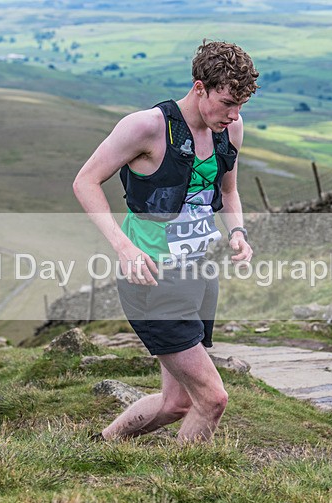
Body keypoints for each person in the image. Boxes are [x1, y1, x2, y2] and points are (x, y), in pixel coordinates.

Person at [73, 40, 259, 442]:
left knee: (177, 402)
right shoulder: (148, 127)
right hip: (152, 281)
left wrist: (238, 232)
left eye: (241, 105)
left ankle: (104, 444)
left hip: (198, 275)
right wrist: (123, 246)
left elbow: (227, 192)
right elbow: (84, 181)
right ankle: (186, 486)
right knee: (212, 399)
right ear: (199, 87)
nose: (234, 114)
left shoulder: (231, 128)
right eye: (227, 102)